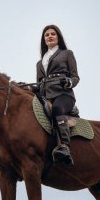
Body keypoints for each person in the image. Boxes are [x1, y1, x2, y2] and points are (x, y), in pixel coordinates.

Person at [36, 25, 80, 165]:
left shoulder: (67, 53)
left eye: (52, 34)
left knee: (56, 109)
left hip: (64, 94)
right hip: (45, 96)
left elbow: (75, 77)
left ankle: (65, 146)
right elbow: (39, 84)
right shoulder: (39, 62)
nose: (49, 36)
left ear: (58, 37)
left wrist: (68, 81)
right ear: (44, 39)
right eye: (46, 35)